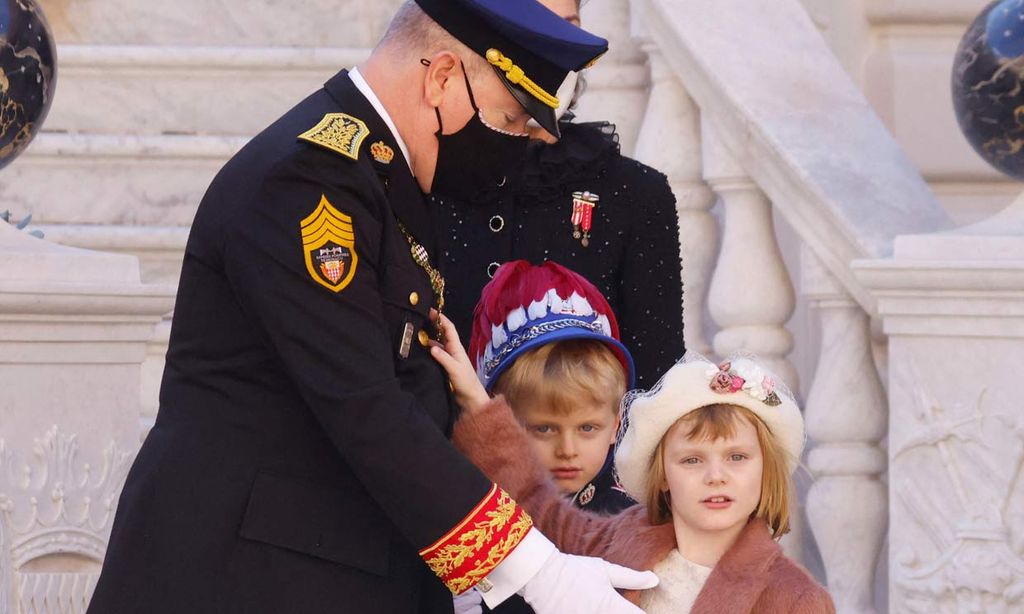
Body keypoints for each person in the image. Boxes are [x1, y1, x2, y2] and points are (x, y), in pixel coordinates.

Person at [85, 1, 659, 613]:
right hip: (243, 579)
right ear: (441, 78)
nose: (519, 147)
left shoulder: (380, 173)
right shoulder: (309, 181)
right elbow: (363, 406)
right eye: (514, 121)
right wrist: (538, 571)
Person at [432, 328, 835, 613]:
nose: (717, 475)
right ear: (663, 477)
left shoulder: (798, 601)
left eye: (737, 457)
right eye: (692, 459)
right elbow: (538, 507)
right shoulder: (618, 541)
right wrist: (477, 403)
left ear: (767, 473)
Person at [431, 0, 684, 389]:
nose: (554, 49)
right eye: (532, 27)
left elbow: (657, 381)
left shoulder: (636, 193)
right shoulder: (429, 176)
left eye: (568, 27)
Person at [463, 259, 639, 614]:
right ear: (506, 424)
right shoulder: (476, 517)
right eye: (544, 428)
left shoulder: (636, 524)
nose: (568, 450)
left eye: (587, 428)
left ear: (617, 424)